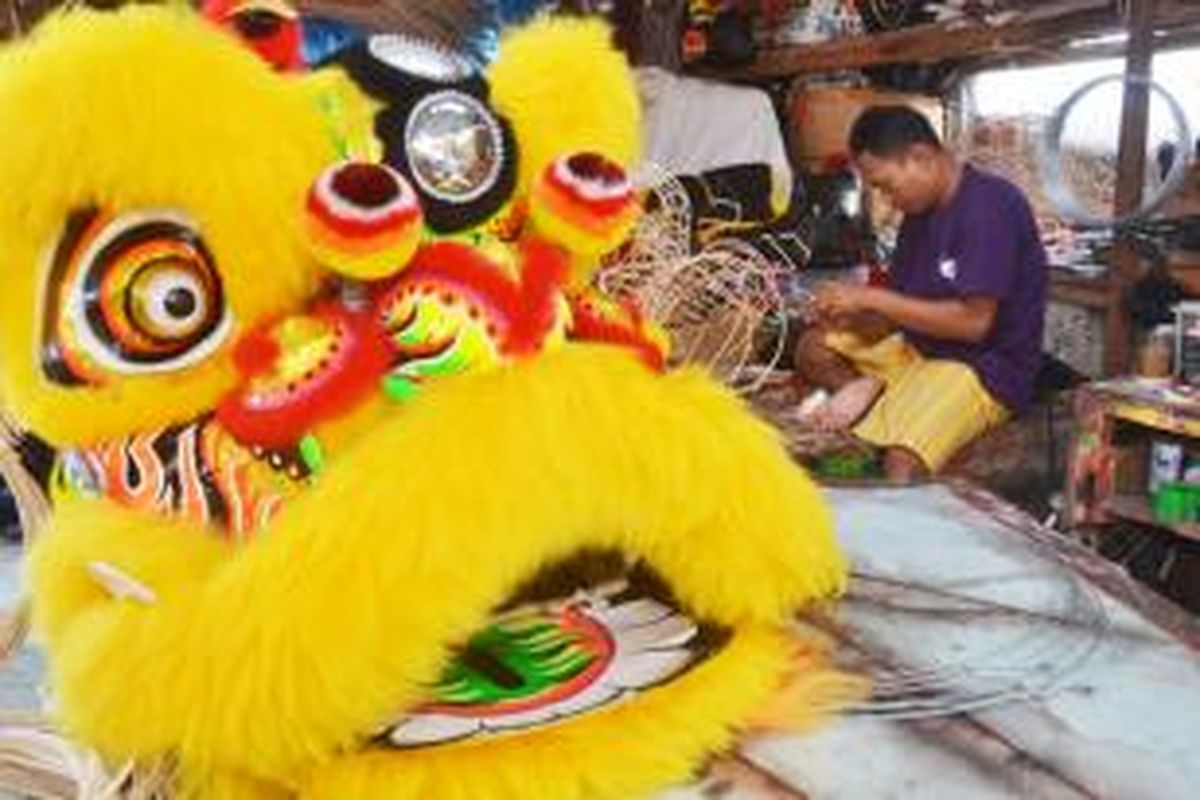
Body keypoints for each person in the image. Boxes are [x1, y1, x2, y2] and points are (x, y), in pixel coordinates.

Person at [794, 104, 1048, 482]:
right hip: (919, 352)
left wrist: (868, 298)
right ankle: (871, 390)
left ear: (921, 157)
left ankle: (887, 406)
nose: (885, 200)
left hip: (980, 369)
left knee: (902, 460)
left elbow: (973, 324)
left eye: (884, 185)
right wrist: (852, 318)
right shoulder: (919, 215)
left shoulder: (991, 206)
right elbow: (900, 309)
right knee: (813, 347)